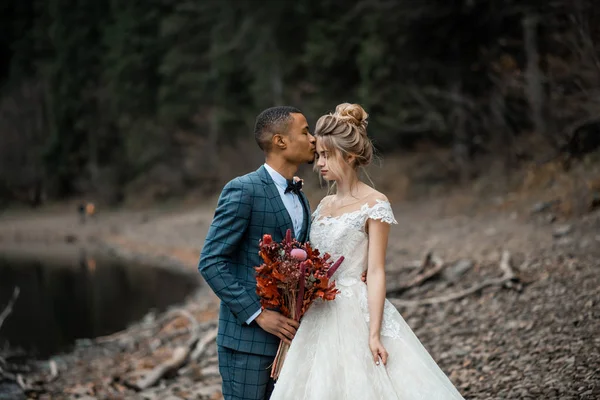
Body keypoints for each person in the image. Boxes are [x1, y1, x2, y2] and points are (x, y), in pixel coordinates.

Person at [270, 103, 465, 399]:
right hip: (317, 309)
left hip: (355, 309)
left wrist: (373, 333)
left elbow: (375, 271)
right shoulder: (323, 204)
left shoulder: (375, 204)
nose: (319, 163)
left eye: (327, 155)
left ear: (348, 156)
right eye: (319, 155)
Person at [198, 106, 316, 400]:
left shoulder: (300, 195)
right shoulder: (243, 190)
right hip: (246, 343)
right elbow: (211, 261)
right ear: (280, 141)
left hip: (291, 341)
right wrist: (257, 314)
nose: (313, 139)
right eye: (305, 132)